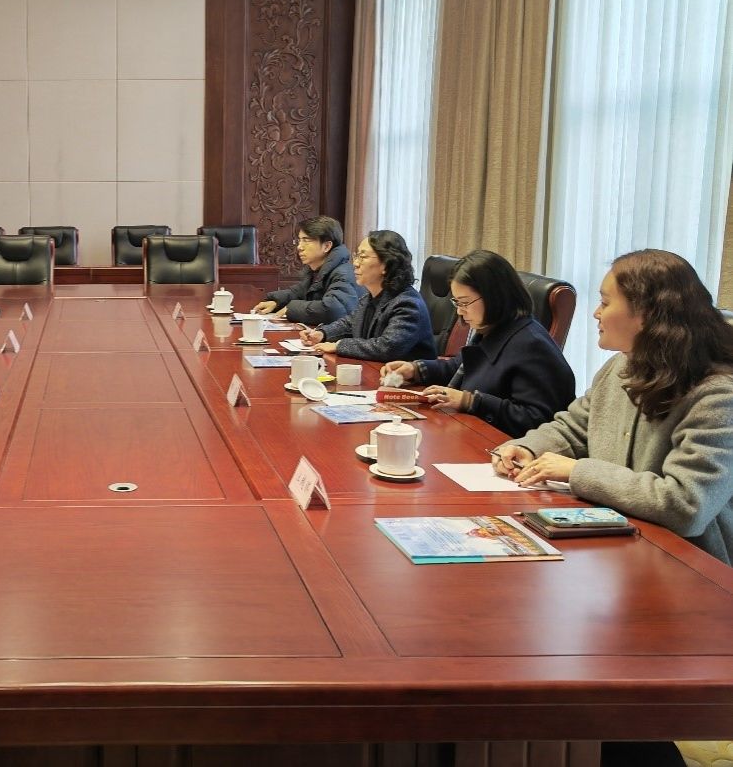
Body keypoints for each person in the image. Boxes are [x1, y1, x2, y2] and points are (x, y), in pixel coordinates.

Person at [492, 249, 733, 566]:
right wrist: (529, 447)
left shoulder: (717, 397)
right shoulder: (621, 366)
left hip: (687, 566)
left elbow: (686, 506)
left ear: (645, 314)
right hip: (615, 549)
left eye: (605, 303)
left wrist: (576, 471)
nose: (596, 313)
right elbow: (574, 428)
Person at [379, 250, 576, 438]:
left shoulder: (531, 345)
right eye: (457, 303)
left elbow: (537, 420)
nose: (459, 311)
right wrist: (415, 370)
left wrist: (471, 401)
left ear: (493, 296)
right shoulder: (495, 328)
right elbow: (462, 367)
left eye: (465, 302)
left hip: (510, 449)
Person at [298, 230, 435, 362]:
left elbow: (387, 347)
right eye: (356, 256)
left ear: (386, 264)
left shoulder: (407, 303)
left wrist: (338, 346)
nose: (355, 263)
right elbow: (350, 323)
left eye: (363, 257)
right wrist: (322, 333)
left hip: (401, 377)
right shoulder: (370, 297)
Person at [254, 215, 361, 324]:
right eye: (299, 240)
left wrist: (291, 308)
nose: (299, 247)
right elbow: (297, 293)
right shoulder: (317, 270)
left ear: (327, 246)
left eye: (306, 241)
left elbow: (333, 310)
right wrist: (276, 302)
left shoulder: (343, 274)